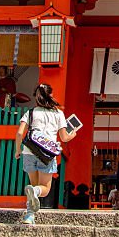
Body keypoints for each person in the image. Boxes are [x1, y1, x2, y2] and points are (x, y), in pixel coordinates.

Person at [14, 83, 76, 225]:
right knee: (45, 189)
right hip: (46, 155)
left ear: (36, 97)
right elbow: (64, 138)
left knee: (33, 185)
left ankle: (30, 216)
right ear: (51, 95)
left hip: (29, 152)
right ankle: (34, 193)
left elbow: (19, 133)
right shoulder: (58, 113)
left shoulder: (30, 112)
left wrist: (18, 150)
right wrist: (73, 134)